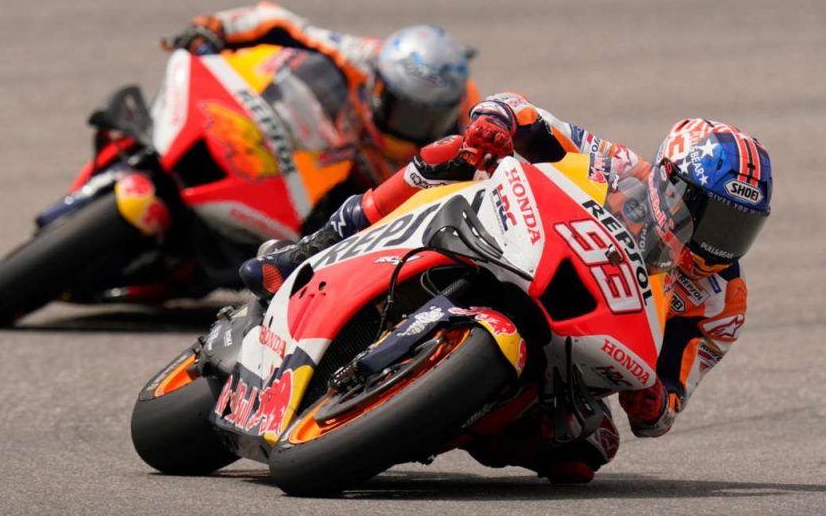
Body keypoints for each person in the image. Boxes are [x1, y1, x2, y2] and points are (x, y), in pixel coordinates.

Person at [241, 91, 774, 484]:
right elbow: (524, 113)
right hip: (517, 249)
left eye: (738, 228)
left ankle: (424, 420)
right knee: (452, 151)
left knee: (587, 451)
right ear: (670, 185)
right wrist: (495, 124)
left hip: (575, 350)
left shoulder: (722, 302)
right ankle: (307, 249)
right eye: (713, 218)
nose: (719, 242)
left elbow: (668, 402)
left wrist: (652, 400)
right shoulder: (618, 166)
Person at [166, 1, 480, 188]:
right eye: (403, 110)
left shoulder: (467, 131)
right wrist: (214, 28)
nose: (410, 126)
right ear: (378, 85)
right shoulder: (363, 57)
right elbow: (277, 21)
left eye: (428, 118)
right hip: (321, 151)